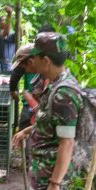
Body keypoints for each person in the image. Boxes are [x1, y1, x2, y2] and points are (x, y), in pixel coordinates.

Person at [13, 32, 83, 190]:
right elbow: (52, 124)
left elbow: (67, 141)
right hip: (43, 172)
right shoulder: (53, 86)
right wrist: (29, 130)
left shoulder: (64, 94)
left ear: (45, 61)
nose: (32, 61)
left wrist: (55, 183)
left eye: (35, 57)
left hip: (51, 178)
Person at [0, 5, 15, 71]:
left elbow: (20, 34)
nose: (6, 20)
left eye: (6, 19)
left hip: (9, 65)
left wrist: (19, 19)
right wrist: (9, 15)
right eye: (3, 20)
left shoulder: (12, 35)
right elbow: (6, 32)